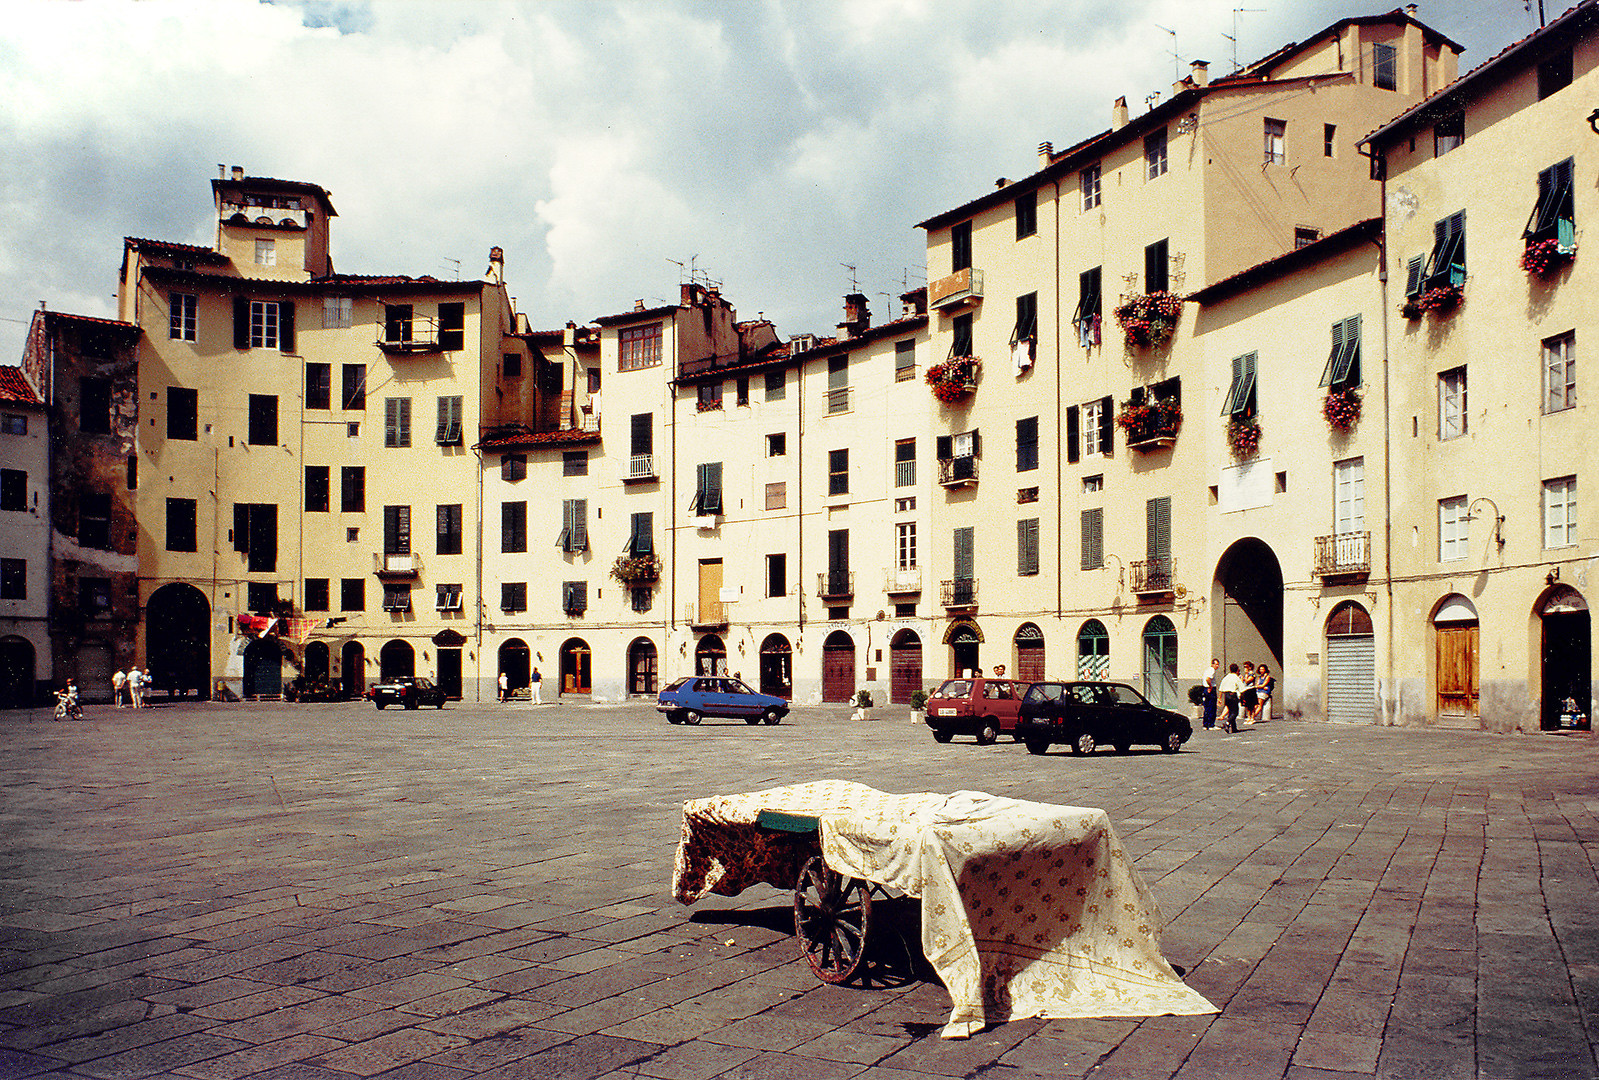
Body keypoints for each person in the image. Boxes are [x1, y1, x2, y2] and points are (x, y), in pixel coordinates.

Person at [1218, 663, 1242, 733]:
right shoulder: (1236, 678)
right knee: (1235, 712)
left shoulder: (1226, 677)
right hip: (1233, 695)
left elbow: (1221, 688)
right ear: (1237, 670)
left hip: (1226, 695)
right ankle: (1227, 722)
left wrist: (1220, 698)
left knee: (1230, 711)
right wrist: (1243, 697)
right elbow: (1242, 688)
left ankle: (1234, 728)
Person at [1202, 659, 1219, 730]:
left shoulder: (1207, 670)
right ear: (1212, 664)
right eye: (1216, 664)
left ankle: (1205, 724)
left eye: (1218, 664)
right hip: (1210, 689)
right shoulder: (1212, 670)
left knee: (1207, 707)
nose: (1217, 666)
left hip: (1205, 689)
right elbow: (1208, 679)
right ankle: (1211, 724)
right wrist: (1210, 686)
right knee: (1212, 707)